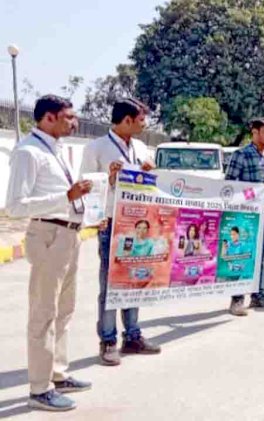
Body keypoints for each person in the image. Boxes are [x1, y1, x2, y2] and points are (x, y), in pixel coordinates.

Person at [5, 95, 93, 411]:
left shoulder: (55, 149)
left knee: (64, 309)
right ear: (50, 117)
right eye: (69, 116)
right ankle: (39, 389)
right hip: (47, 236)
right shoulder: (28, 152)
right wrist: (66, 196)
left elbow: (64, 197)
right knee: (43, 313)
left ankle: (57, 373)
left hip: (69, 235)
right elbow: (14, 206)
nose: (75, 122)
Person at [80, 99, 161, 367]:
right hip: (112, 223)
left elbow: (148, 183)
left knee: (135, 280)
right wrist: (110, 179)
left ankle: (133, 335)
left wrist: (150, 173)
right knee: (110, 284)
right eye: (140, 119)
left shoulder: (139, 147)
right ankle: (108, 339)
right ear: (127, 120)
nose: (144, 124)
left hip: (138, 222)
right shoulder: (97, 148)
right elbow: (87, 188)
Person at [225, 118, 264, 316]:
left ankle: (257, 295)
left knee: (260, 257)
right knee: (242, 255)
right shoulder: (241, 155)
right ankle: (237, 299)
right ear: (255, 132)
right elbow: (230, 186)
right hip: (247, 216)